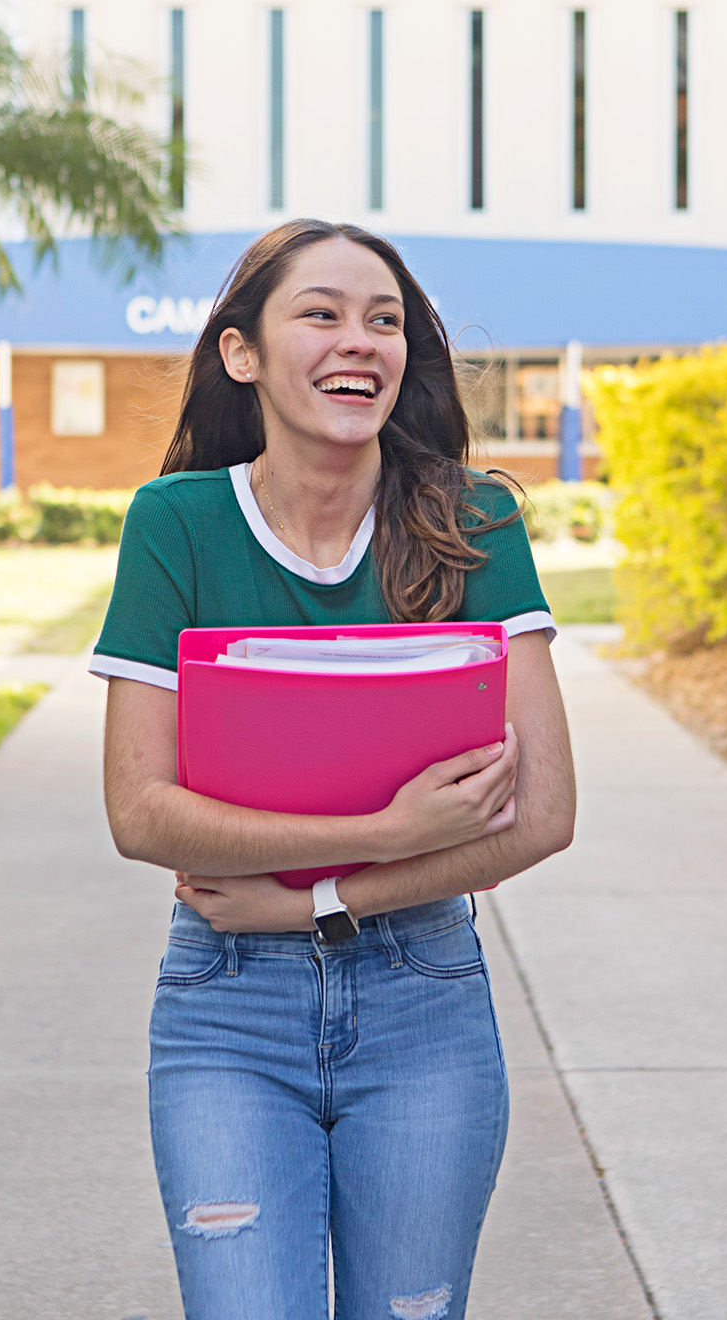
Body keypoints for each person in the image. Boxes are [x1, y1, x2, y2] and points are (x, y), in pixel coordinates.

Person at [93, 219, 576, 1319]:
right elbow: (140, 810)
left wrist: (324, 894)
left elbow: (544, 811)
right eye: (321, 313)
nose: (359, 339)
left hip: (425, 999)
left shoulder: (474, 519)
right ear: (242, 353)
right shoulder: (177, 524)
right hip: (227, 1008)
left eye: (385, 319)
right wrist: (398, 831)